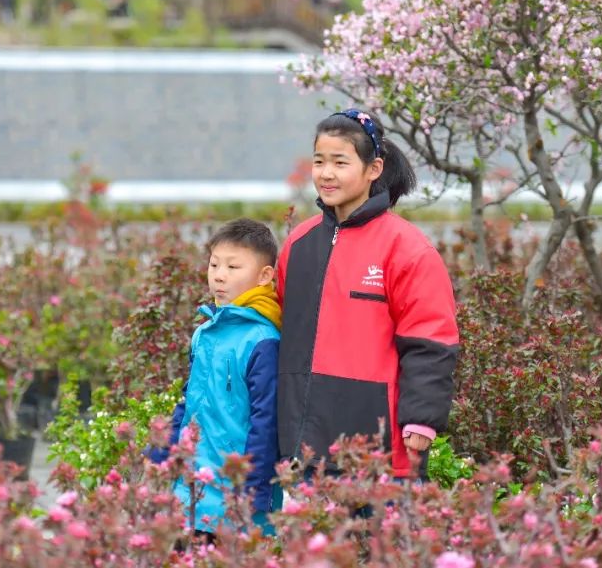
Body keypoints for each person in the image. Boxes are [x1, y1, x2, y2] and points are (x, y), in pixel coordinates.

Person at [276, 109, 459, 482]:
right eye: (319, 161)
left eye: (340, 162)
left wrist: (422, 420)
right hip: (306, 449)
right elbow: (277, 326)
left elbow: (431, 341)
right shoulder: (298, 243)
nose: (326, 173)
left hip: (383, 452)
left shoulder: (407, 248)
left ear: (374, 169)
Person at [149, 218, 282, 536]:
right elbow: (189, 403)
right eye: (214, 265)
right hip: (192, 485)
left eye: (233, 267)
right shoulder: (204, 333)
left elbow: (266, 424)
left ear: (264, 276)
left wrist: (255, 493)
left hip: (235, 491)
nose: (219, 275)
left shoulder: (263, 339)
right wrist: (161, 453)